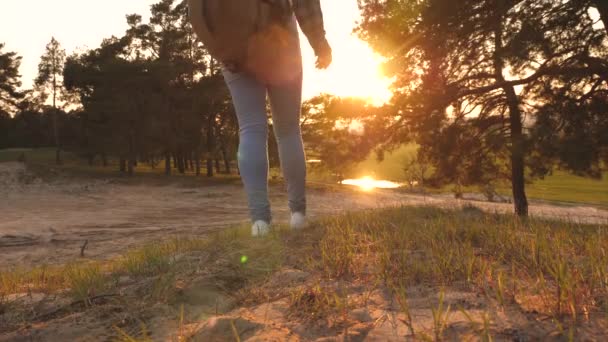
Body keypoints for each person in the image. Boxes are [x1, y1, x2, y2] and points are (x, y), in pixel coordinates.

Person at [222, 0, 332, 237]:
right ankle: (298, 216)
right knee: (288, 130)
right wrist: (319, 41)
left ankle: (260, 223)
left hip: (234, 43)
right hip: (280, 37)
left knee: (251, 129)